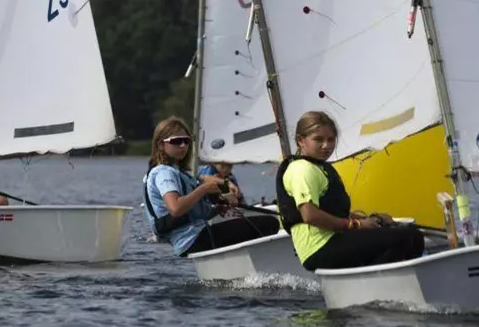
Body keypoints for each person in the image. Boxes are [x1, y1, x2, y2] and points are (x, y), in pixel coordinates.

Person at [277, 111, 424, 271]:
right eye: (318, 140)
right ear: (301, 140)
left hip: (336, 238)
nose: (326, 146)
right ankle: (375, 279)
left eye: (331, 139)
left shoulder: (319, 167)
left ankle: (384, 276)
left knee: (412, 235)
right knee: (406, 238)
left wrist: (373, 219)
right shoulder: (302, 169)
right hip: (319, 248)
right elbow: (310, 215)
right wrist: (357, 225)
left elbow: (334, 211)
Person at [143, 117, 279, 256]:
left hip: (195, 236)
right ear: (161, 145)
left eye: (186, 141)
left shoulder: (177, 172)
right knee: (270, 224)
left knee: (259, 224)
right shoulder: (164, 173)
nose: (183, 145)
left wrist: (217, 209)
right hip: (194, 238)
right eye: (176, 141)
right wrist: (205, 189)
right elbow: (176, 208)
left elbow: (196, 207)